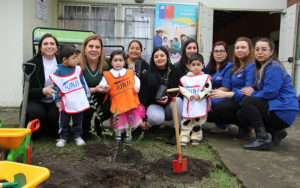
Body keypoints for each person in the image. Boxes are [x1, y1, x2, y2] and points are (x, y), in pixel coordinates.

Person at [237, 38, 299, 150]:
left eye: (264, 49)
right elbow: (260, 88)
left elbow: (270, 93)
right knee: (242, 114)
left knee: (248, 101)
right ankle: (277, 132)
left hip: (284, 110)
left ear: (271, 52)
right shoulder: (263, 67)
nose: (260, 52)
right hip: (277, 108)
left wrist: (253, 93)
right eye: (257, 50)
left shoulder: (273, 67)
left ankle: (262, 138)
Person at [208, 37, 256, 139]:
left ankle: (245, 125)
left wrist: (224, 94)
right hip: (234, 97)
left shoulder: (250, 66)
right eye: (237, 47)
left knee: (217, 107)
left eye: (243, 47)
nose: (239, 50)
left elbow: (246, 90)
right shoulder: (237, 65)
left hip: (242, 100)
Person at [99, 50, 145, 144]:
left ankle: (128, 135)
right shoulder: (108, 74)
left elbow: (136, 80)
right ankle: (118, 136)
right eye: (115, 60)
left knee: (129, 121)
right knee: (119, 121)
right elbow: (103, 81)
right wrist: (103, 86)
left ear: (124, 62)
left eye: (120, 60)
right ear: (111, 62)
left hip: (129, 103)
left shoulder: (129, 72)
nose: (118, 62)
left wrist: (137, 86)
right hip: (117, 103)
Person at [50, 44, 90, 147]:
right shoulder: (58, 71)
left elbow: (83, 84)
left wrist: (86, 96)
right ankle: (63, 137)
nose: (76, 60)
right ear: (64, 60)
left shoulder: (78, 69)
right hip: (65, 102)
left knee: (78, 121)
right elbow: (56, 87)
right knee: (64, 122)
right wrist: (57, 99)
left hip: (78, 101)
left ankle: (77, 136)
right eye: (74, 58)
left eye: (77, 57)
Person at [24, 33, 60, 139]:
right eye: (45, 44)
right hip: (37, 99)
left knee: (54, 115)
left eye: (52, 43)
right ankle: (37, 134)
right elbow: (27, 91)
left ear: (57, 47)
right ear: (41, 48)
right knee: (38, 113)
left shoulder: (63, 63)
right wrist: (43, 91)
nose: (49, 46)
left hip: (55, 99)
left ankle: (53, 132)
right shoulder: (31, 64)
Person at [79, 34, 111, 141]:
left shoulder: (107, 64)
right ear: (84, 48)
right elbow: (75, 88)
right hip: (83, 97)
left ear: (101, 50)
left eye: (97, 47)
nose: (94, 50)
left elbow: (115, 79)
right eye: (91, 46)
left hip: (102, 97)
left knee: (111, 104)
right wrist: (94, 89)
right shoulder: (77, 64)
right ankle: (85, 128)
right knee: (87, 105)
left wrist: (108, 87)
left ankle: (98, 122)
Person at [179, 54, 212, 146]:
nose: (196, 67)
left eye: (198, 64)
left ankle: (196, 136)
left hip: (200, 103)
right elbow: (182, 88)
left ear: (203, 65)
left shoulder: (205, 78)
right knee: (186, 121)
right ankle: (184, 137)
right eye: (193, 65)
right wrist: (189, 95)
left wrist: (200, 95)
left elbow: (208, 90)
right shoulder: (185, 78)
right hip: (189, 103)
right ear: (189, 66)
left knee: (198, 121)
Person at [205, 41, 233, 133]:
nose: (219, 54)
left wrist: (209, 92)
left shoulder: (229, 66)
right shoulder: (210, 66)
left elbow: (227, 87)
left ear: (226, 53)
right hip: (211, 93)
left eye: (222, 51)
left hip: (223, 94)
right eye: (216, 51)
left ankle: (222, 125)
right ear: (212, 53)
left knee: (211, 102)